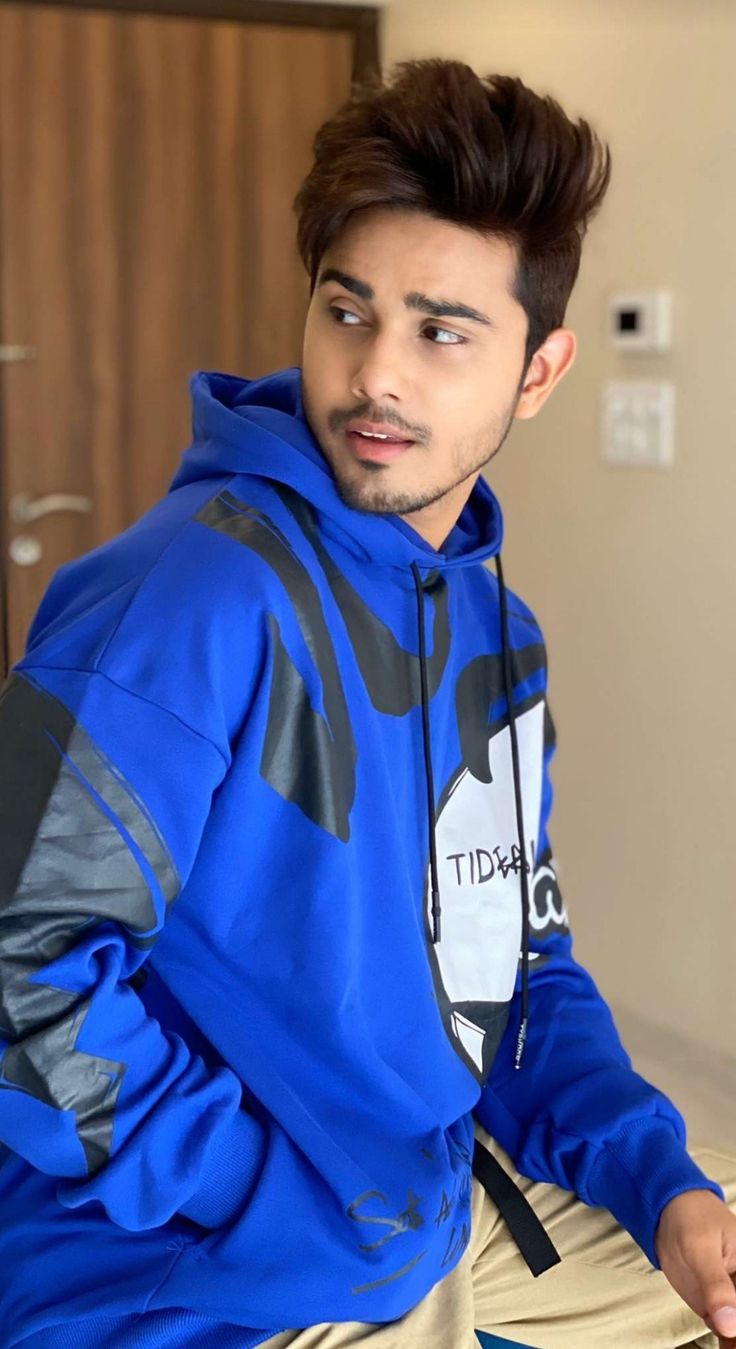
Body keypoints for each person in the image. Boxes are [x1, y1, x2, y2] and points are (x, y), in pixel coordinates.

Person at [0, 56, 734, 1349]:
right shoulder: (192, 597)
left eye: (442, 330)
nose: (376, 373)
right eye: (348, 312)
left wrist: (661, 1181)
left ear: (540, 367)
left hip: (415, 1218)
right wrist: (263, 1197)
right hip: (188, 1284)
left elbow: (508, 968)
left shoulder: (500, 642)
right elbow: (21, 976)